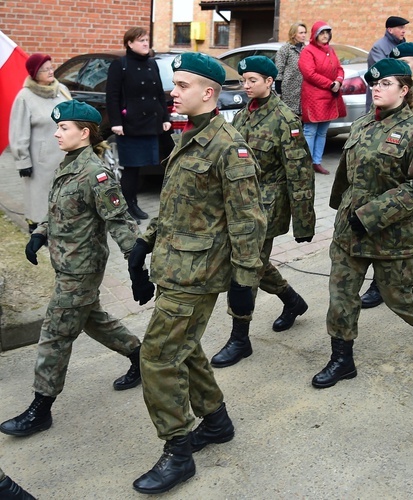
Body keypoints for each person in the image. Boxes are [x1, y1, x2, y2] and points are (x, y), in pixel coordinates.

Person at [129, 52, 266, 495]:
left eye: (182, 85)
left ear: (208, 93)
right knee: (183, 350)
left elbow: (249, 219)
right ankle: (217, 421)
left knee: (157, 357)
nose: (173, 91)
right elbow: (176, 203)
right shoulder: (189, 136)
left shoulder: (229, 145)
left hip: (199, 274)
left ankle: (178, 452)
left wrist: (245, 282)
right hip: (174, 264)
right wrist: (144, 242)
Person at [0, 100, 148, 439]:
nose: (56, 133)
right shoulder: (68, 165)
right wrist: (39, 234)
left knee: (55, 333)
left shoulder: (95, 174)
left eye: (63, 128)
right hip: (66, 263)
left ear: (84, 132)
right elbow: (58, 210)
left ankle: (41, 408)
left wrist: (136, 268)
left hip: (81, 269)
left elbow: (120, 221)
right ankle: (139, 355)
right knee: (91, 319)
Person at [312, 58, 413, 389]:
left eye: (385, 83)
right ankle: (342, 359)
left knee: (396, 294)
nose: (377, 88)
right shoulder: (361, 126)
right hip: (350, 233)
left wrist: (370, 215)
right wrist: (341, 212)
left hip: (395, 234)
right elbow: (345, 176)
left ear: (404, 89)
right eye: (375, 83)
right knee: (341, 294)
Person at [210, 56, 316, 368]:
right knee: (254, 263)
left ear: (270, 82)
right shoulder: (243, 115)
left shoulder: (285, 120)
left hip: (268, 206)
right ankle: (293, 302)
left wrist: (304, 223)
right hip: (240, 201)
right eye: (244, 80)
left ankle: (239, 338)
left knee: (246, 268)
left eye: (253, 80)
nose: (246, 85)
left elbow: (300, 173)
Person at [357, 42, 413, 311]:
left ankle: (395, 276)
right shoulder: (383, 101)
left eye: (406, 64)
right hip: (379, 180)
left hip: (404, 182)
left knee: (401, 234)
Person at [105, 27, 171, 223]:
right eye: (141, 40)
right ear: (129, 43)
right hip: (130, 125)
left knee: (141, 168)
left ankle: (134, 204)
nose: (145, 43)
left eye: (146, 40)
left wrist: (165, 118)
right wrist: (116, 122)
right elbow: (112, 96)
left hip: (151, 124)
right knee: (131, 169)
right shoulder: (120, 65)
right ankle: (128, 205)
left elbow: (159, 94)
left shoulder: (152, 64)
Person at [9, 53, 71, 234]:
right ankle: (36, 227)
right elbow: (18, 131)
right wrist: (23, 161)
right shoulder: (25, 96)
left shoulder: (62, 90)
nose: (51, 71)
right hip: (40, 159)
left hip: (64, 155)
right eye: (45, 69)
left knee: (63, 194)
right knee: (38, 196)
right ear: (35, 73)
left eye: (51, 67)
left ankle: (61, 225)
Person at [298, 21, 347, 175]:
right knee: (310, 131)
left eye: (327, 33)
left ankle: (316, 162)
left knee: (322, 132)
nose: (325, 36)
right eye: (322, 33)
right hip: (314, 96)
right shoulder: (308, 51)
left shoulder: (330, 50)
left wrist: (338, 81)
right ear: (315, 35)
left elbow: (339, 68)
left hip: (330, 95)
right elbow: (309, 73)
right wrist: (330, 84)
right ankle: (305, 164)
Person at [366, 15, 409, 110]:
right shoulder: (379, 48)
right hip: (382, 97)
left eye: (404, 28)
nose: (404, 31)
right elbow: (384, 72)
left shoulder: (404, 46)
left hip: (399, 96)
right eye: (400, 27)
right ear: (390, 30)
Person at [274, 22, 307, 115]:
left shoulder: (306, 49)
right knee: (290, 118)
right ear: (293, 34)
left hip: (303, 90)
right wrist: (278, 91)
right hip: (289, 90)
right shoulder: (285, 49)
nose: (304, 35)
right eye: (301, 33)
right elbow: (279, 70)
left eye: (305, 32)